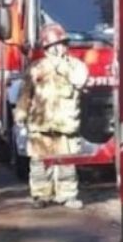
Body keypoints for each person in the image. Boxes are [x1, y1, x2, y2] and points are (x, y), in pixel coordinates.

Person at [15, 24, 89, 209]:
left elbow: (80, 81)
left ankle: (67, 196)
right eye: (55, 45)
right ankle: (41, 196)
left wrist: (62, 67)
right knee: (40, 164)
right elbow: (25, 93)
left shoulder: (76, 66)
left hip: (66, 126)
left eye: (62, 44)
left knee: (66, 164)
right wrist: (21, 113)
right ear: (47, 47)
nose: (59, 48)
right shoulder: (36, 68)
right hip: (40, 126)